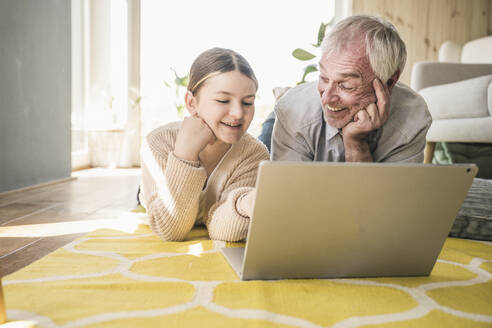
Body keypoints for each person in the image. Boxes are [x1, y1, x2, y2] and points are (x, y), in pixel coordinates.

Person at [139, 48, 269, 242]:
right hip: (158, 192)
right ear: (191, 103)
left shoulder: (254, 154)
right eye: (223, 100)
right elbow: (170, 231)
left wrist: (244, 205)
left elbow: (221, 232)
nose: (238, 113)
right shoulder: (157, 142)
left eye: (248, 103)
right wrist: (185, 154)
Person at [263, 15, 432, 162]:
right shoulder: (292, 109)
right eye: (323, 78)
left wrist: (355, 143)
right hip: (296, 117)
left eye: (346, 86)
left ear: (389, 82)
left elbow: (385, 198)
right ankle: (280, 98)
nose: (326, 98)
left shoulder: (412, 118)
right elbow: (290, 194)